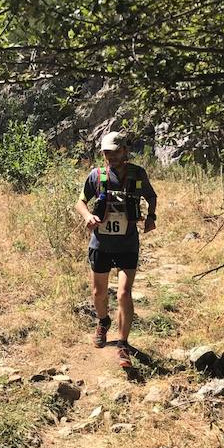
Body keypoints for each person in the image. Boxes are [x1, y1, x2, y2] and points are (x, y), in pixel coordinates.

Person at [74, 131, 157, 367]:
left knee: (123, 294)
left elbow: (151, 196)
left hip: (127, 244)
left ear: (125, 151)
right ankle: (103, 322)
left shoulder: (137, 174)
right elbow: (80, 201)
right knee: (99, 293)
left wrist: (151, 217)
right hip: (101, 244)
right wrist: (88, 216)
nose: (110, 156)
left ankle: (123, 345)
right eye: (106, 152)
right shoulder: (96, 176)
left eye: (115, 151)